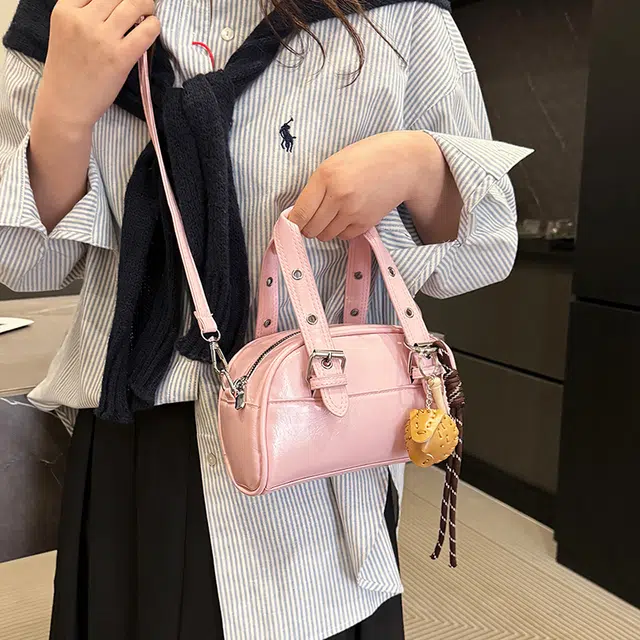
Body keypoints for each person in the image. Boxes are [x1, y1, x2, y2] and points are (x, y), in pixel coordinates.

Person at [0, 1, 531, 638]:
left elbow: (487, 245)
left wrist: (421, 166)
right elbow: (26, 264)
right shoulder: (75, 14)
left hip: (321, 435)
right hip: (141, 443)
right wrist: (62, 117)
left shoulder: (400, 18)